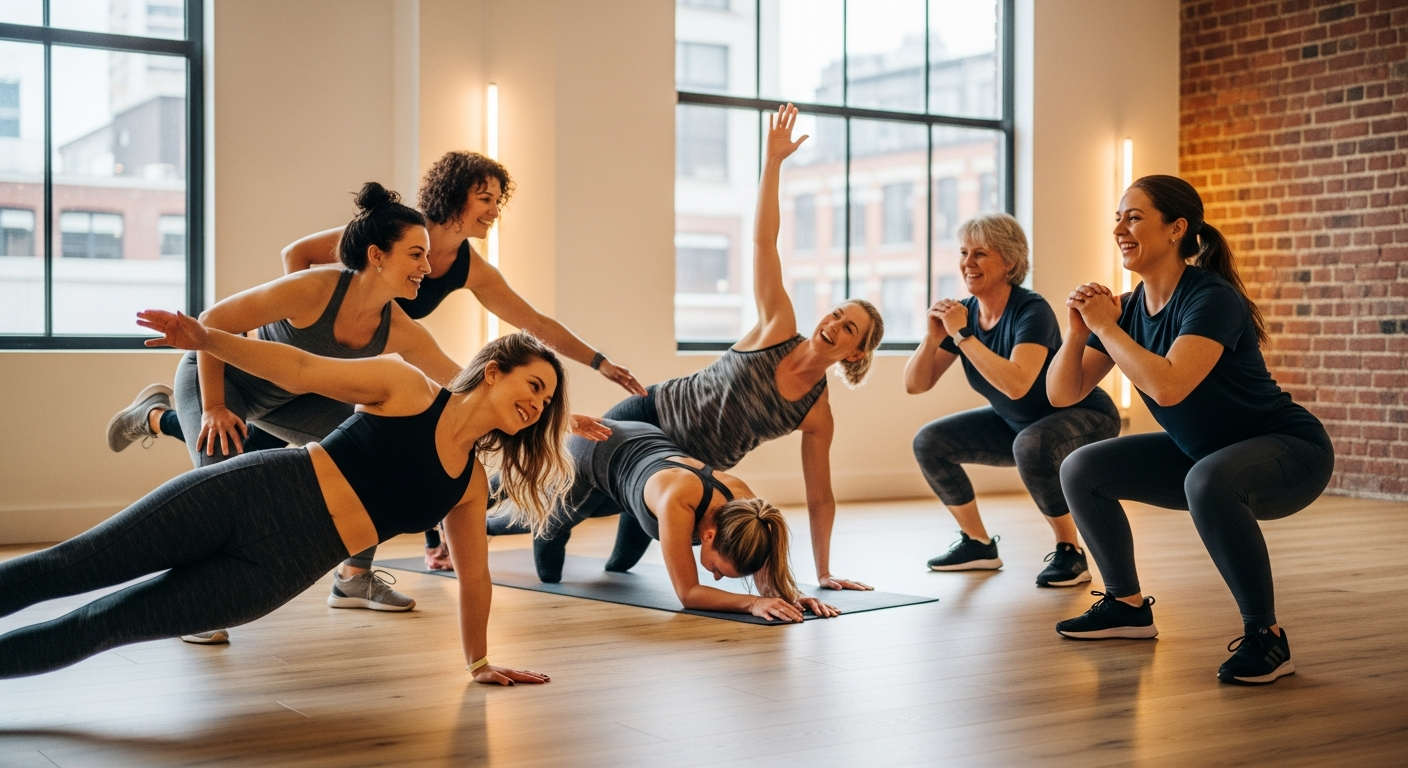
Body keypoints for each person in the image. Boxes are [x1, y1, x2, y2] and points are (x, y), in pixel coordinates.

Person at [0, 312, 568, 686]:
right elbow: (301, 368)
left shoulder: (467, 486)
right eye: (535, 386)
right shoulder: (407, 388)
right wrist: (206, 341)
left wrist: (479, 663)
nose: (539, 405)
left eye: (547, 402)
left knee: (104, 626)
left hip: (279, 569)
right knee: (67, 567)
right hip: (252, 494)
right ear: (493, 372)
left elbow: (476, 578)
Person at [105, 183, 465, 642]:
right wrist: (214, 406)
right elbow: (211, 323)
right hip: (220, 375)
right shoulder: (314, 291)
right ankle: (194, 604)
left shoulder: (398, 329)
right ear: (377, 255)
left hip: (290, 398)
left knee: (374, 455)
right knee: (221, 484)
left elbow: (461, 380)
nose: (427, 268)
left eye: (427, 256)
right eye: (416, 255)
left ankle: (354, 578)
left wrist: (553, 413)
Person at [282, 151, 644, 570]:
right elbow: (298, 253)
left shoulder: (469, 267)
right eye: (485, 198)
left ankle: (364, 571)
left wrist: (600, 363)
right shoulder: (396, 230)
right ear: (454, 195)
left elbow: (534, 322)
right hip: (316, 362)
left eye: (497, 200)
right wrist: (310, 332)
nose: (494, 210)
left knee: (396, 443)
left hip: (373, 367)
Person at [1046, 175, 1334, 686]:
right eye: (1117, 216)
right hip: (1201, 452)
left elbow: (1169, 387)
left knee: (1208, 479)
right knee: (1081, 467)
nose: (1119, 227)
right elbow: (1062, 395)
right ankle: (1126, 606)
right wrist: (1078, 333)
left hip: (1289, 451)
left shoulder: (1211, 298)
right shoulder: (1131, 308)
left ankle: (1266, 638)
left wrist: (1107, 328)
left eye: (1133, 216)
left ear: (1177, 228)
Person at [604, 105, 884, 593]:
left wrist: (823, 572)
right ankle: (466, 510)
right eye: (837, 314)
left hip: (682, 473)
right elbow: (763, 242)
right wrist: (773, 161)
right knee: (566, 495)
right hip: (650, 417)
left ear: (855, 354)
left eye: (849, 329)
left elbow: (820, 497)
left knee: (622, 563)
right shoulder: (779, 327)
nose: (834, 325)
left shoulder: (816, 412)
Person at [903, 213, 1120, 585]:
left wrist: (964, 337)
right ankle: (978, 544)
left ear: (1010, 263)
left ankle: (1071, 552)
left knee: (1032, 445)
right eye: (964, 253)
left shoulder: (1031, 310)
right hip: (1016, 424)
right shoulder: (965, 314)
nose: (967, 263)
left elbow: (1017, 384)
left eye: (980, 254)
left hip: (1083, 415)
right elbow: (916, 385)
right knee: (929, 442)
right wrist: (932, 337)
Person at [489, 419, 840, 622]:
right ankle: (466, 510)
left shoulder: (746, 508)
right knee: (535, 525)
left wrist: (788, 597)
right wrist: (751, 602)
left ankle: (499, 485)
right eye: (719, 569)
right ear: (711, 534)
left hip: (636, 460)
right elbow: (689, 594)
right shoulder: (678, 503)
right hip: (594, 454)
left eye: (719, 575)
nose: (715, 576)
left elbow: (758, 553)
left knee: (621, 563)